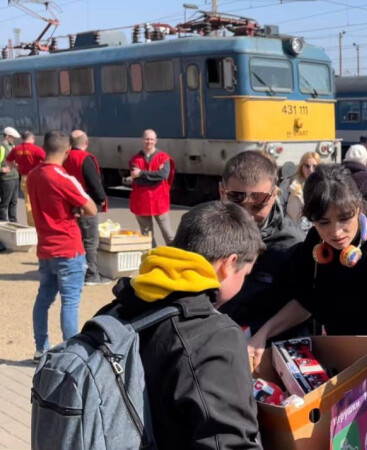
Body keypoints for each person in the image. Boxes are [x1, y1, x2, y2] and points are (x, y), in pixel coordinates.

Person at [97, 201, 264, 449]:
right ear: (229, 264)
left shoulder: (116, 310)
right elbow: (228, 442)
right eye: (245, 275)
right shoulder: (214, 337)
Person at [247, 164, 367, 373]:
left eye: (344, 218)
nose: (336, 232)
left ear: (358, 207)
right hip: (335, 356)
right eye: (323, 222)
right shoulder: (314, 242)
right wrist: (262, 335)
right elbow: (306, 302)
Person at [217, 150, 307, 337]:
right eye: (237, 203)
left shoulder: (293, 244)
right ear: (222, 192)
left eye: (258, 206)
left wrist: (263, 334)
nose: (247, 215)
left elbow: (307, 303)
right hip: (219, 337)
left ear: (274, 194)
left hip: (269, 344)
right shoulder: (205, 230)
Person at [28, 131, 97, 361]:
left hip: (45, 249)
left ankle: (41, 348)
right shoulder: (62, 177)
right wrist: (75, 210)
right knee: (70, 301)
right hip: (68, 248)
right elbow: (91, 208)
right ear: (67, 151)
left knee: (43, 299)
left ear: (44, 147)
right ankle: (71, 352)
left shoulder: (33, 175)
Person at [63, 130, 109, 286]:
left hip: (70, 206)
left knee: (76, 240)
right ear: (86, 142)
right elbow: (94, 182)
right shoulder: (85, 159)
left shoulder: (64, 158)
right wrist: (101, 199)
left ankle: (75, 271)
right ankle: (92, 275)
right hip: (87, 206)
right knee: (90, 241)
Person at [129, 129, 175, 247]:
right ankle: (152, 258)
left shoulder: (163, 158)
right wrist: (154, 176)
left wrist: (142, 174)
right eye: (146, 139)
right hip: (142, 201)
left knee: (168, 233)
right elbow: (136, 178)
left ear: (156, 141)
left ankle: (175, 255)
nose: (149, 142)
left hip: (159, 201)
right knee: (146, 236)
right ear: (142, 140)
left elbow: (163, 175)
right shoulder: (135, 159)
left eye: (151, 139)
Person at [6, 130, 45, 226]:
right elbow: (47, 160)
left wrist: (17, 167)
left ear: (22, 138)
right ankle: (41, 223)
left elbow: (8, 161)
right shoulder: (37, 149)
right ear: (33, 138)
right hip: (36, 178)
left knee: (28, 203)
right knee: (40, 201)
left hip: (24, 178)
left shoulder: (16, 149)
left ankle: (32, 225)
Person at [285, 151, 321, 230]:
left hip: (315, 229)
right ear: (301, 167)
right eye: (307, 166)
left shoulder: (324, 187)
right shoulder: (290, 184)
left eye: (314, 166)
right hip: (293, 228)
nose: (311, 169)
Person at [0, 127, 21, 223]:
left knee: (14, 201)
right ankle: (3, 221)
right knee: (5, 202)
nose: (14, 140)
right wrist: (1, 169)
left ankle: (13, 221)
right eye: (12, 137)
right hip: (6, 179)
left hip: (15, 177)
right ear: (7, 136)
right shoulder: (1, 147)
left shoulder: (13, 146)